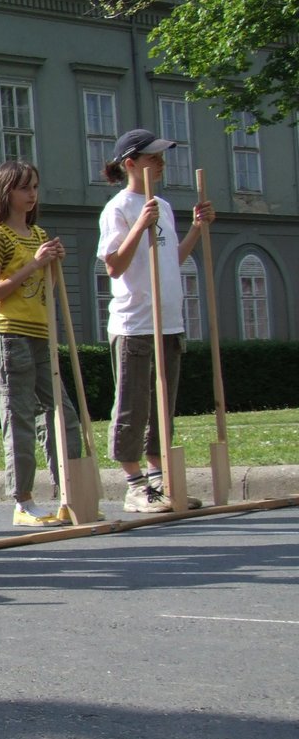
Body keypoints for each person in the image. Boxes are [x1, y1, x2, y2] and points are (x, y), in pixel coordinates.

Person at [98, 128, 214, 512]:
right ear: (130, 164)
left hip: (168, 321)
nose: (161, 163)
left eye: (162, 156)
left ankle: (159, 480)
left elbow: (171, 259)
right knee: (133, 407)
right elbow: (114, 266)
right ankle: (134, 486)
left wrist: (196, 228)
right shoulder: (118, 209)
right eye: (152, 157)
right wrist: (138, 226)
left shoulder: (161, 206)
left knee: (163, 406)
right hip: (135, 324)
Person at [0, 161, 82, 527]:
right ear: (6, 192)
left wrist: (51, 266)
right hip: (9, 335)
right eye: (24, 188)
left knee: (63, 414)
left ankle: (72, 492)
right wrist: (33, 265)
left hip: (40, 333)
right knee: (19, 416)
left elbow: (43, 291)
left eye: (35, 187)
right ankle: (22, 501)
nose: (32, 194)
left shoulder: (39, 234)